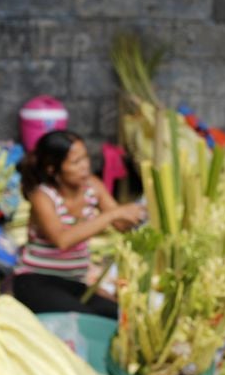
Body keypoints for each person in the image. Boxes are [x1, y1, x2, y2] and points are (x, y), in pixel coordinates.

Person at [12, 130, 145, 317]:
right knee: (83, 319)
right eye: (75, 162)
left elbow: (121, 224)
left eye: (85, 158)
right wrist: (113, 213)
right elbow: (62, 240)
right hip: (36, 280)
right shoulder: (42, 196)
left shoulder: (93, 187)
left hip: (75, 283)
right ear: (52, 169)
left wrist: (142, 212)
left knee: (120, 317)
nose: (85, 167)